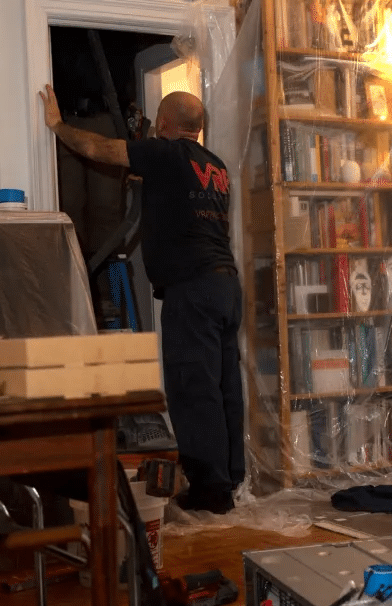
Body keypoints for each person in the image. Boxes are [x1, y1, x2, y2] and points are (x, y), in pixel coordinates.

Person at [39, 84, 244, 514]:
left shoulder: (165, 153)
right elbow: (177, 205)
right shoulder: (216, 166)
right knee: (223, 384)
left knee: (193, 387)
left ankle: (210, 490)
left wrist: (58, 125)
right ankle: (229, 478)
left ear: (165, 126)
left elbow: (99, 147)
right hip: (225, 285)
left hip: (193, 288)